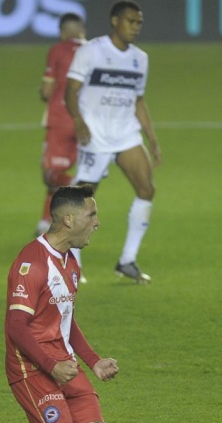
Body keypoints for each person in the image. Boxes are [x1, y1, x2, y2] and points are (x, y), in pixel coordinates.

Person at [5, 186, 120, 423]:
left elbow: (65, 318)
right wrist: (52, 365)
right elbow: (16, 327)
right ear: (69, 219)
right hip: (33, 367)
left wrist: (93, 359)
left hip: (63, 363)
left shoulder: (70, 260)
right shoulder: (32, 262)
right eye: (92, 215)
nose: (97, 222)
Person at [65, 1, 161, 284]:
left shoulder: (140, 59)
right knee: (82, 197)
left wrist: (151, 137)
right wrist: (79, 122)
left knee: (146, 189)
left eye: (139, 23)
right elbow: (71, 91)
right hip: (95, 135)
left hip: (126, 134)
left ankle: (127, 260)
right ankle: (74, 263)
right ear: (115, 21)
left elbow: (138, 101)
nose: (136, 27)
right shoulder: (91, 51)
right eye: (131, 21)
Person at [34, 13, 86, 238]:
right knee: (60, 174)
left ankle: (76, 186)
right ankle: (45, 221)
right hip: (88, 123)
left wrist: (42, 92)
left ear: (63, 32)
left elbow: (47, 91)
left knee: (51, 174)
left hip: (62, 119)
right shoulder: (94, 50)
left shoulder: (58, 50)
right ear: (81, 30)